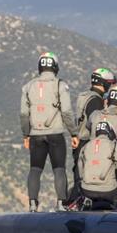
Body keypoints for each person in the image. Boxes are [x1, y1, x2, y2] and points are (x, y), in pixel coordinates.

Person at [20, 51, 79, 212]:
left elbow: (24, 114)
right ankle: (61, 203)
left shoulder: (28, 86)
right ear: (55, 67)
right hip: (55, 133)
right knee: (59, 168)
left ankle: (33, 204)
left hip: (35, 134)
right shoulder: (60, 85)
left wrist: (26, 134)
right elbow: (66, 111)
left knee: (35, 169)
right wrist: (74, 133)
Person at [71, 68, 117, 200]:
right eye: (109, 83)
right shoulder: (96, 101)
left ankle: (75, 202)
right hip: (87, 143)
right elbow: (96, 124)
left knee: (78, 176)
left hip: (79, 141)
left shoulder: (84, 96)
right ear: (104, 83)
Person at [78, 121, 117, 210]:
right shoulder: (115, 146)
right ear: (110, 133)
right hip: (109, 190)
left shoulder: (85, 146)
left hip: (87, 190)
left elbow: (80, 170)